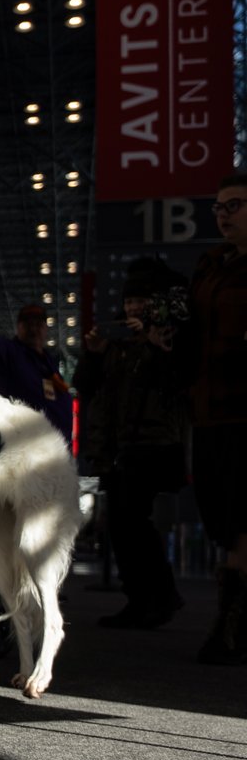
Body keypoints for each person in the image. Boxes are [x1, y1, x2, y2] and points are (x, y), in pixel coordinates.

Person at [74, 257, 188, 629]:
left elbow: (175, 384)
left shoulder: (168, 337)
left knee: (133, 521)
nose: (133, 308)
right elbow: (85, 387)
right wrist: (93, 354)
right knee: (122, 524)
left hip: (150, 447)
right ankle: (143, 599)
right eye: (128, 301)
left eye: (140, 301)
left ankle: (158, 597)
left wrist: (155, 344)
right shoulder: (114, 345)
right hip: (116, 451)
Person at [178, 176, 247, 664]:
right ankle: (231, 621)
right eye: (219, 206)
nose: (223, 214)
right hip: (208, 410)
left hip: (244, 409)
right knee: (222, 515)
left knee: (241, 516)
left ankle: (232, 624)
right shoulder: (211, 264)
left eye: (235, 205)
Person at [0, 305, 74, 444]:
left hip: (55, 446)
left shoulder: (48, 363)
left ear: (45, 328)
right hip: (24, 446)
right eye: (28, 325)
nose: (33, 329)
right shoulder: (12, 353)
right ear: (19, 327)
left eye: (38, 325)